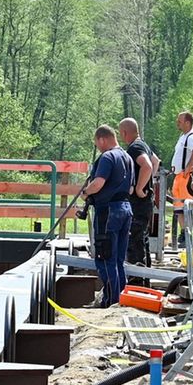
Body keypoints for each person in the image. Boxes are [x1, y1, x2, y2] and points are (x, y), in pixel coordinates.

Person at [78, 125, 135, 307]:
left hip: (108, 211)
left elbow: (98, 183)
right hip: (126, 208)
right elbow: (132, 188)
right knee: (118, 259)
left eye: (97, 143)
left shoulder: (107, 157)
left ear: (102, 139)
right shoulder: (128, 158)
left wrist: (86, 192)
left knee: (105, 257)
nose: (98, 147)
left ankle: (110, 301)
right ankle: (121, 300)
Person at [119, 117, 160, 268]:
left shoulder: (134, 148)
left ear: (124, 132)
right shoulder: (144, 145)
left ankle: (137, 280)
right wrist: (150, 181)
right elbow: (156, 162)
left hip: (138, 201)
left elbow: (148, 165)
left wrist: (139, 187)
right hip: (146, 201)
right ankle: (145, 281)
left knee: (134, 240)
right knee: (142, 239)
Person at [169, 111, 193, 242]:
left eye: (180, 121)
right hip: (178, 176)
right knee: (178, 208)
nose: (177, 123)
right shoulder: (183, 136)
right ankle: (184, 233)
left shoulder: (192, 137)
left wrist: (187, 168)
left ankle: (190, 235)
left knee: (186, 207)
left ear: (188, 123)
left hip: (185, 177)